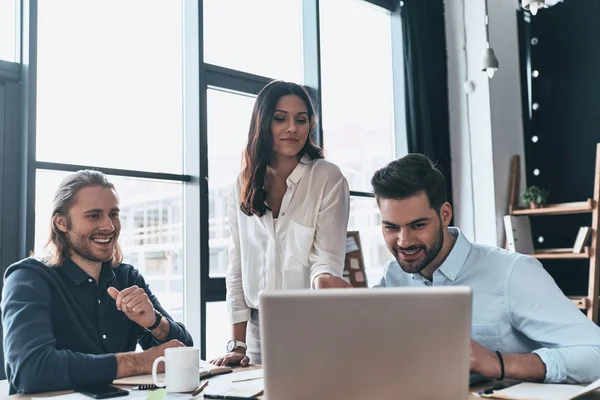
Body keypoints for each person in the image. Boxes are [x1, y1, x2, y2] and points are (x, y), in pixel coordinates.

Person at [372, 153, 600, 384]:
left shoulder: (513, 273)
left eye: (417, 225)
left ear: (445, 215)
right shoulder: (392, 276)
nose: (404, 241)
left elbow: (596, 353)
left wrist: (499, 362)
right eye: (391, 227)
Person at [2, 170, 193, 394]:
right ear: (61, 222)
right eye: (93, 216)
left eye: (113, 214)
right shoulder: (28, 279)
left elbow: (184, 354)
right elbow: (30, 371)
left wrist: (154, 323)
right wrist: (139, 362)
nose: (109, 226)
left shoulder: (128, 278)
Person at [210, 81, 350, 367]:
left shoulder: (328, 178)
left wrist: (329, 285)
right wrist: (238, 346)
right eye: (280, 118)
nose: (292, 128)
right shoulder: (242, 182)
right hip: (257, 334)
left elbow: (326, 261)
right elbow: (237, 267)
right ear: (263, 123)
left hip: (311, 328)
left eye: (301, 120)